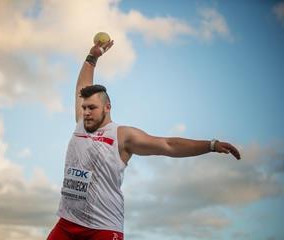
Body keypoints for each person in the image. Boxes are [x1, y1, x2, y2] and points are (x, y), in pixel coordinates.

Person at [47, 40, 241, 240]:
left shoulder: (122, 135)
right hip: (68, 224)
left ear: (107, 107)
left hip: (103, 227)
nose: (86, 112)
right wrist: (93, 56)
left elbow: (168, 145)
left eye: (92, 108)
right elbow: (82, 85)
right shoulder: (81, 123)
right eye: (84, 107)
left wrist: (211, 145)